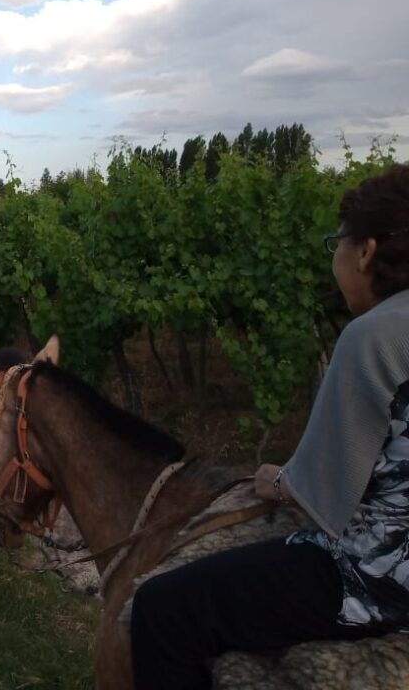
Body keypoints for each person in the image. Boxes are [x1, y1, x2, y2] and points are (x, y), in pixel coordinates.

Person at [130, 164, 409, 689]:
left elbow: (325, 491)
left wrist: (278, 481)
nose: (335, 256)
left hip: (383, 578)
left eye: (337, 243)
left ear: (366, 251)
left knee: (162, 610)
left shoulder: (375, 335)